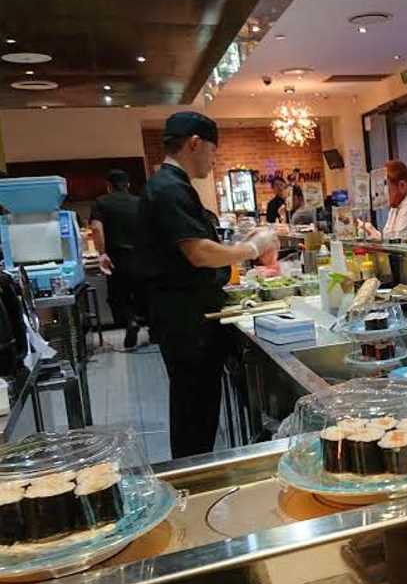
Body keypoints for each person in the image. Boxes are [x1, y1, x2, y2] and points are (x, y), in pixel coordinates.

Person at [136, 111, 279, 459]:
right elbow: (199, 253)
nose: (214, 160)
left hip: (187, 317)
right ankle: (191, 485)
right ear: (195, 143)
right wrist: (252, 248)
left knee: (196, 408)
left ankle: (192, 477)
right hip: (186, 322)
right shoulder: (169, 188)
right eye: (213, 151)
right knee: (193, 413)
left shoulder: (171, 185)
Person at [90, 169, 146, 350]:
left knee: (118, 297)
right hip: (140, 256)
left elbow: (97, 229)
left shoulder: (101, 202)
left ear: (109, 186)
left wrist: (102, 253)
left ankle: (130, 322)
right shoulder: (139, 202)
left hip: (116, 257)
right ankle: (154, 332)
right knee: (144, 294)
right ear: (128, 185)